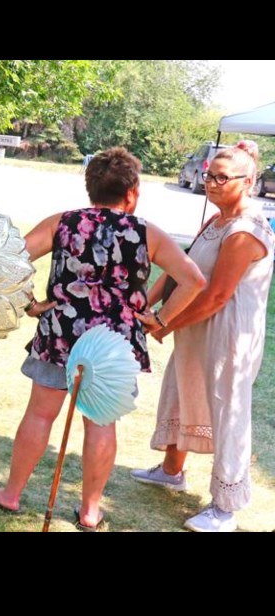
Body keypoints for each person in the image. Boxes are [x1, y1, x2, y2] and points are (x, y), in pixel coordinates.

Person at [0, 147, 206, 530]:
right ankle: (89, 511)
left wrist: (30, 304)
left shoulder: (63, 222)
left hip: (60, 333)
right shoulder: (146, 233)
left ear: (90, 187)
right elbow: (194, 279)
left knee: (40, 414)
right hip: (114, 343)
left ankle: (12, 493)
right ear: (132, 191)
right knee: (101, 423)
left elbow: (9, 260)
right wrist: (159, 319)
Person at [130, 141, 274, 532]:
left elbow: (217, 295)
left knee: (226, 409)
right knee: (182, 388)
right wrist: (147, 302)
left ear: (246, 183)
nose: (210, 183)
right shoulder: (217, 220)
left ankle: (225, 507)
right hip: (196, 327)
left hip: (228, 334)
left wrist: (165, 323)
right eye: (209, 174)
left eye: (221, 178)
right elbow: (183, 267)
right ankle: (172, 470)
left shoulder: (246, 230)